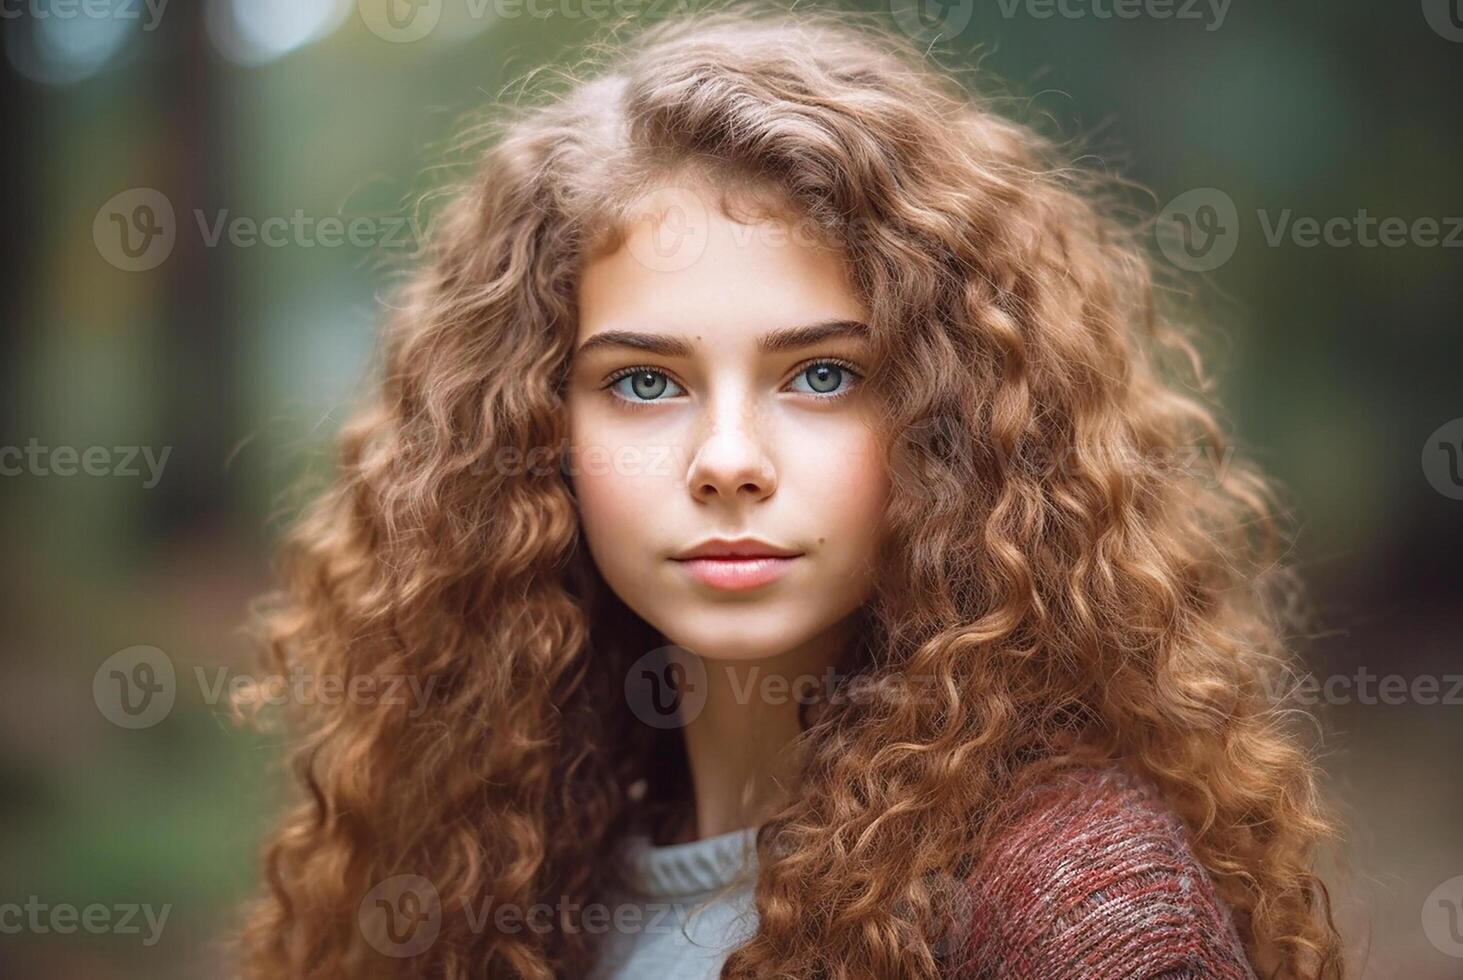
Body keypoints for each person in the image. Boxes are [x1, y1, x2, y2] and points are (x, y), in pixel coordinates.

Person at [233, 5, 1346, 978]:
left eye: (822, 374)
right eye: (644, 380)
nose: (727, 457)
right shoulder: (504, 880)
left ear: (949, 420)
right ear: (536, 434)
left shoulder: (1070, 896)